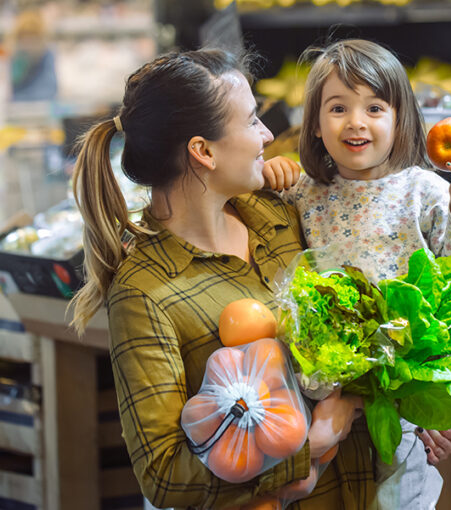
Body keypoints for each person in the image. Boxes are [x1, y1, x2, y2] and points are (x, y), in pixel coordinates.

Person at [69, 48, 374, 509]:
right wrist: (304, 446)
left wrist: (421, 412)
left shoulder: (279, 215)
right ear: (203, 151)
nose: (268, 135)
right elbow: (165, 475)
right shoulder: (145, 293)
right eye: (252, 121)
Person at [264, 39, 451, 509]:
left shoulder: (423, 189)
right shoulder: (306, 192)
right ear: (316, 125)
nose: (356, 122)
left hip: (401, 383)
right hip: (326, 391)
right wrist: (273, 173)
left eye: (375, 107)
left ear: (401, 119)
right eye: (338, 107)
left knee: (399, 493)